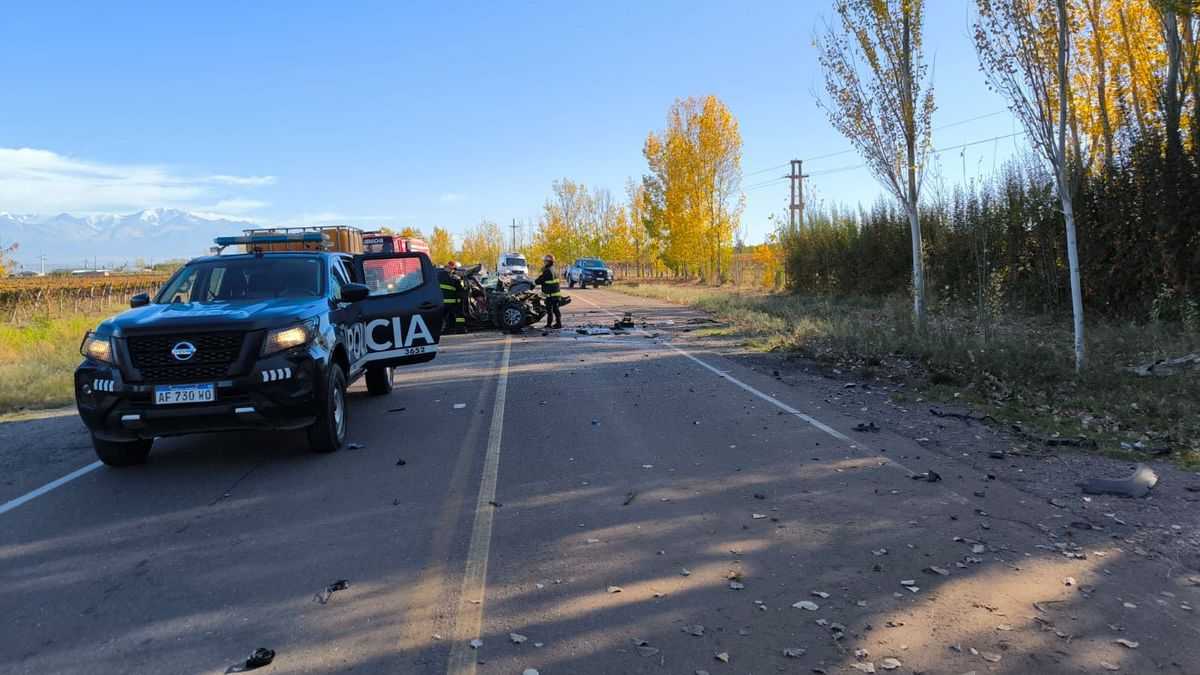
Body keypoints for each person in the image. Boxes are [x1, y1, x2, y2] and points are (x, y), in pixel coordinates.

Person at [535, 254, 563, 329]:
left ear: (549, 261)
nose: (544, 262)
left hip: (551, 295)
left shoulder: (548, 271)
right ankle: (559, 323)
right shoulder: (555, 269)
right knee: (556, 309)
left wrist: (534, 282)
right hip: (556, 294)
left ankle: (549, 324)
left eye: (545, 261)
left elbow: (540, 280)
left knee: (549, 310)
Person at [438, 260, 466, 333]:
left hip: (440, 302)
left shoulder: (437, 276)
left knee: (445, 316)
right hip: (452, 302)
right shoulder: (455, 278)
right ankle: (460, 330)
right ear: (453, 269)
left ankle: (446, 330)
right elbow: (461, 289)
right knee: (459, 314)